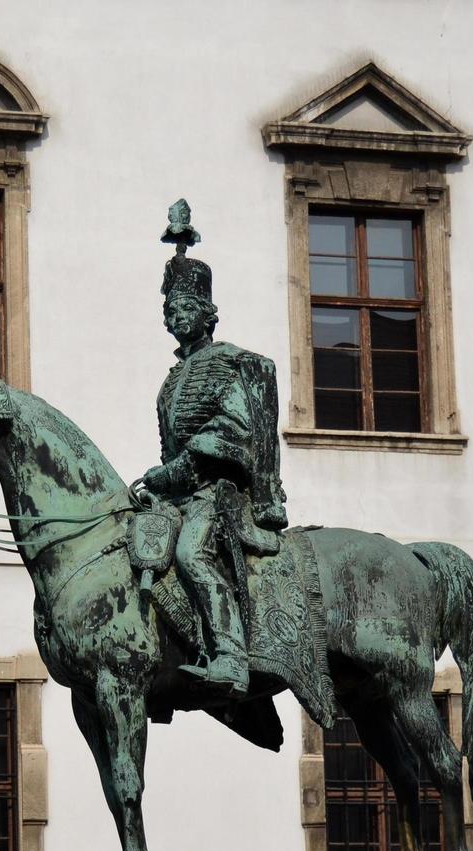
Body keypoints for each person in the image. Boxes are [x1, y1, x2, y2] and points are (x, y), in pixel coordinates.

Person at [141, 200, 288, 696]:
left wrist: (176, 471)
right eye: (170, 311)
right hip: (177, 495)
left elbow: (232, 429)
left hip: (215, 491)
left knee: (190, 555)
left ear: (208, 314)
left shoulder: (226, 364)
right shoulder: (170, 381)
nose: (175, 318)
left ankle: (231, 653)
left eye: (184, 309)